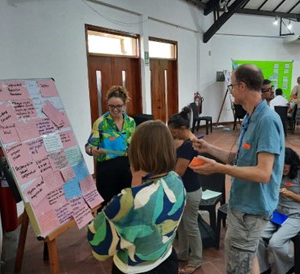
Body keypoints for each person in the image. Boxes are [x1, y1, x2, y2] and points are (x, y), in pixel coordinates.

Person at [190, 64, 285, 274]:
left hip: (251, 211)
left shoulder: (267, 121)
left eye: (232, 85)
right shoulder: (250, 117)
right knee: (247, 259)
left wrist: (220, 168)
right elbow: (241, 159)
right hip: (242, 203)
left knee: (237, 267)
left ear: (242, 86)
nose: (230, 90)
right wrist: (209, 148)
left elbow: (263, 173)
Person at [87, 120, 186, 274]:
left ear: (136, 152)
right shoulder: (175, 180)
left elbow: (99, 246)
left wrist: (97, 218)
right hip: (166, 260)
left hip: (136, 269)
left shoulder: (130, 201)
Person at [85, 85, 136, 205]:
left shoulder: (131, 122)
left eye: (118, 106)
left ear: (124, 105)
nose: (115, 109)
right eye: (111, 106)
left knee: (126, 203)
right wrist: (92, 150)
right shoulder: (101, 123)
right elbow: (88, 147)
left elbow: (135, 145)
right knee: (108, 205)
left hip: (126, 167)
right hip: (107, 169)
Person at [168, 108, 202, 274]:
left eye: (174, 132)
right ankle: (183, 252)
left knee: (190, 225)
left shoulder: (189, 145)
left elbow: (178, 172)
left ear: (182, 129)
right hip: (183, 190)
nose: (173, 135)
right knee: (181, 224)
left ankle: (196, 259)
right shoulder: (187, 142)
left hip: (190, 190)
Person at [257, 147, 300, 274]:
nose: (283, 169)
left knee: (275, 243)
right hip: (278, 213)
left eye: (285, 165)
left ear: (292, 164)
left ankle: (287, 267)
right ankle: (264, 268)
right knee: (258, 236)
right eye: (280, 165)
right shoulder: (275, 172)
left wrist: (291, 194)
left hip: (295, 215)